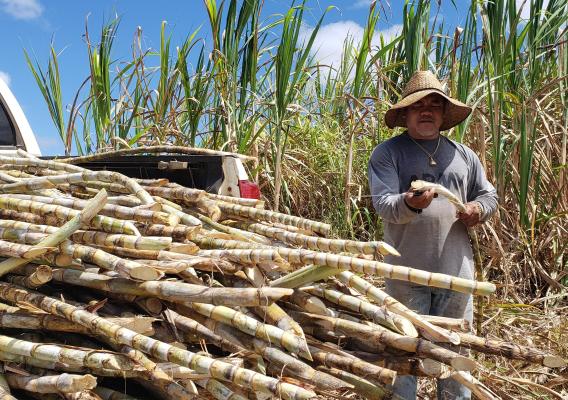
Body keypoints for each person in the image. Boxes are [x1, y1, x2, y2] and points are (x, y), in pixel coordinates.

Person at [368, 70, 498, 400]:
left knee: (455, 357)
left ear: (442, 114)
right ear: (406, 113)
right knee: (404, 357)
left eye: (434, 105)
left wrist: (477, 210)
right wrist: (410, 203)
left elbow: (488, 196)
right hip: (405, 274)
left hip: (456, 275)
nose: (426, 111)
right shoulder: (387, 154)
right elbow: (384, 205)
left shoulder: (464, 155)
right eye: (418, 105)